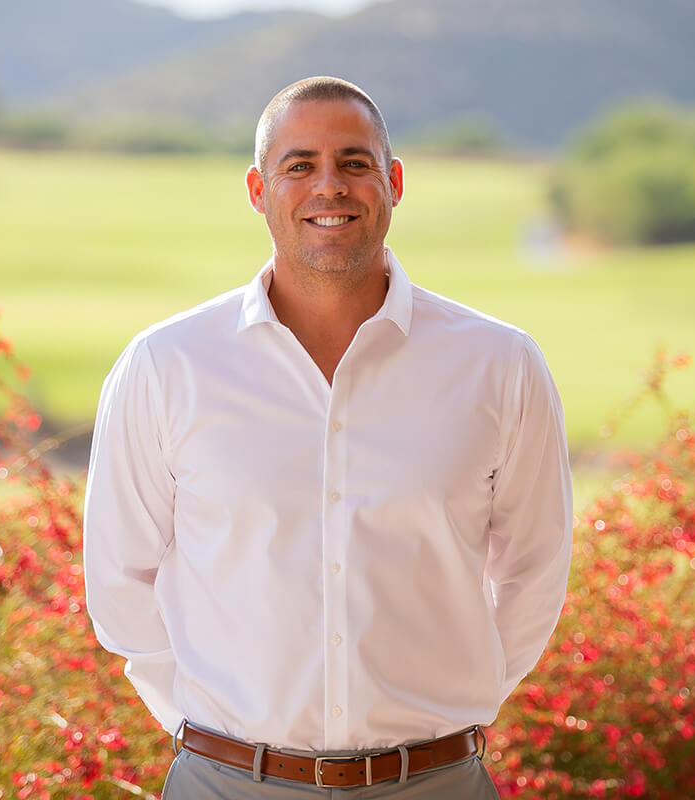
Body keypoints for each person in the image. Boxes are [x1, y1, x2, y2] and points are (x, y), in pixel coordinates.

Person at [83, 76, 573, 799]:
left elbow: (536, 567)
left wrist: (447, 708)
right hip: (225, 782)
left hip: (437, 782)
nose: (329, 187)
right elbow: (119, 578)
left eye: (353, 162)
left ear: (393, 181)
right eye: (299, 165)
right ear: (257, 188)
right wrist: (213, 731)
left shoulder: (499, 364)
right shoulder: (166, 365)